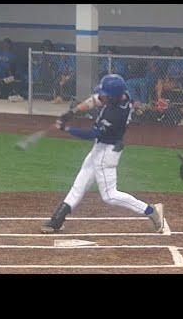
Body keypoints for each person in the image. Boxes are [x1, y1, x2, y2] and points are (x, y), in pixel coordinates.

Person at [41, 74, 165, 234]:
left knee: (109, 195)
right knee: (79, 185)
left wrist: (66, 129)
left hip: (107, 153)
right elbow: (94, 100)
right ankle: (57, 220)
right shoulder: (123, 96)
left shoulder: (114, 115)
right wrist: (72, 112)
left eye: (106, 95)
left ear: (113, 97)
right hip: (100, 148)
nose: (102, 97)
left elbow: (91, 134)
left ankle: (150, 210)